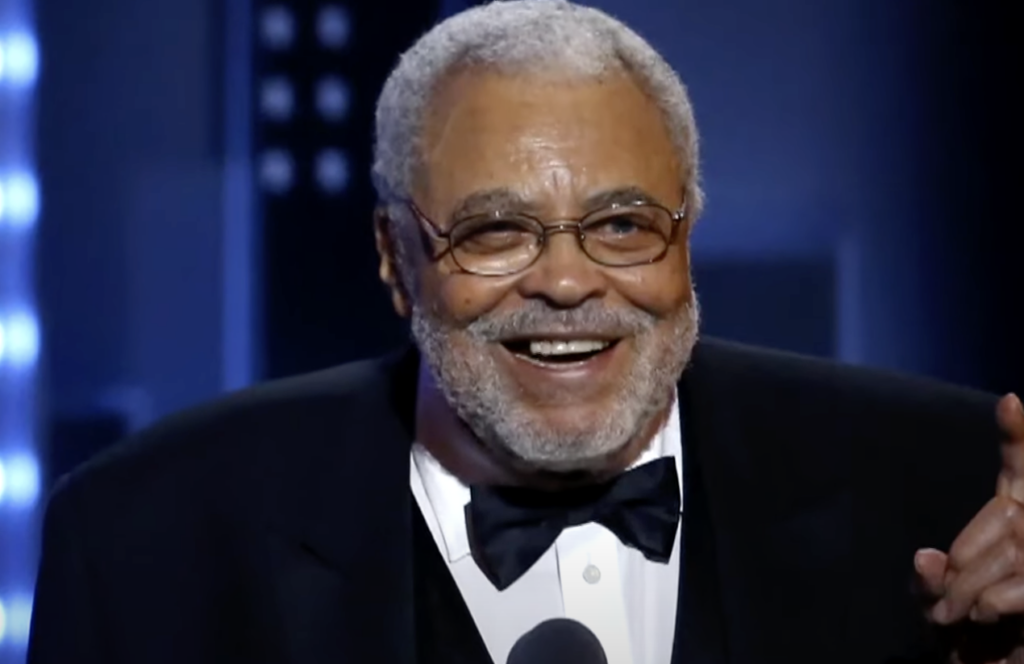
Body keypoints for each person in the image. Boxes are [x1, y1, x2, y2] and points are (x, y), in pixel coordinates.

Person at [26, 1, 1024, 663]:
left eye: (623, 224)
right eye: (494, 230)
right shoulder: (141, 547)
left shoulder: (957, 490)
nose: (563, 280)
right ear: (391, 256)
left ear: (688, 237)